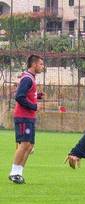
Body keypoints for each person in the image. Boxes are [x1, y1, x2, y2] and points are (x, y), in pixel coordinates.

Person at [8, 55, 44, 184]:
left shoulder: (31, 78)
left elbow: (26, 95)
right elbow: (19, 97)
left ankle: (18, 173)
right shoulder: (27, 79)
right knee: (24, 145)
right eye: (41, 64)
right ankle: (14, 172)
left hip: (29, 117)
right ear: (34, 65)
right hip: (23, 116)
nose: (42, 67)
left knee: (29, 146)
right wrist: (34, 106)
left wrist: (36, 96)